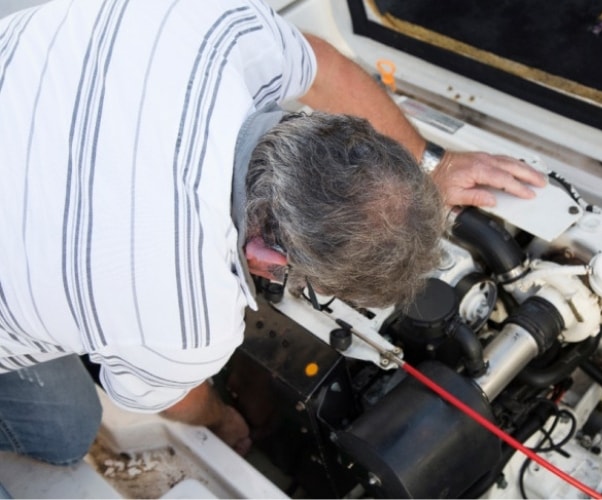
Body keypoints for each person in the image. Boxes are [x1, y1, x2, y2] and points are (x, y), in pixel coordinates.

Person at [0, 0, 546, 468]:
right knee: (66, 432)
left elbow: (325, 67)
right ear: (265, 254)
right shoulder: (187, 319)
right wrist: (222, 419)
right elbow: (174, 403)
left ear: (324, 125)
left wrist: (434, 165)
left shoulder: (217, 25)